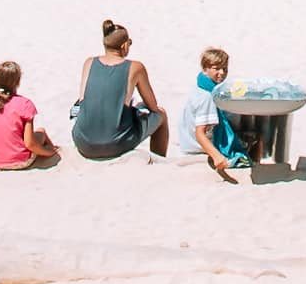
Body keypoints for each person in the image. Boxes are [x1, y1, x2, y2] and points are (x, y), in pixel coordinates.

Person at [72, 20, 169, 159]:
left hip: (83, 142)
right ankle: (159, 162)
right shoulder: (136, 67)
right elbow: (153, 106)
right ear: (124, 46)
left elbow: (83, 100)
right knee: (161, 115)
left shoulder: (89, 63)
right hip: (116, 144)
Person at [179, 46, 246, 182]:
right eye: (217, 69)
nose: (222, 73)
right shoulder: (207, 97)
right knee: (253, 140)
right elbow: (200, 133)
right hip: (198, 148)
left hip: (187, 143)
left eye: (225, 69)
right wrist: (217, 156)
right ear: (205, 69)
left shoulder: (201, 86)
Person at [0, 61, 60, 170]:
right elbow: (30, 144)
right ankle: (52, 149)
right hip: (20, 161)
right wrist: (49, 153)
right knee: (41, 132)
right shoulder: (25, 104)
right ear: (17, 82)